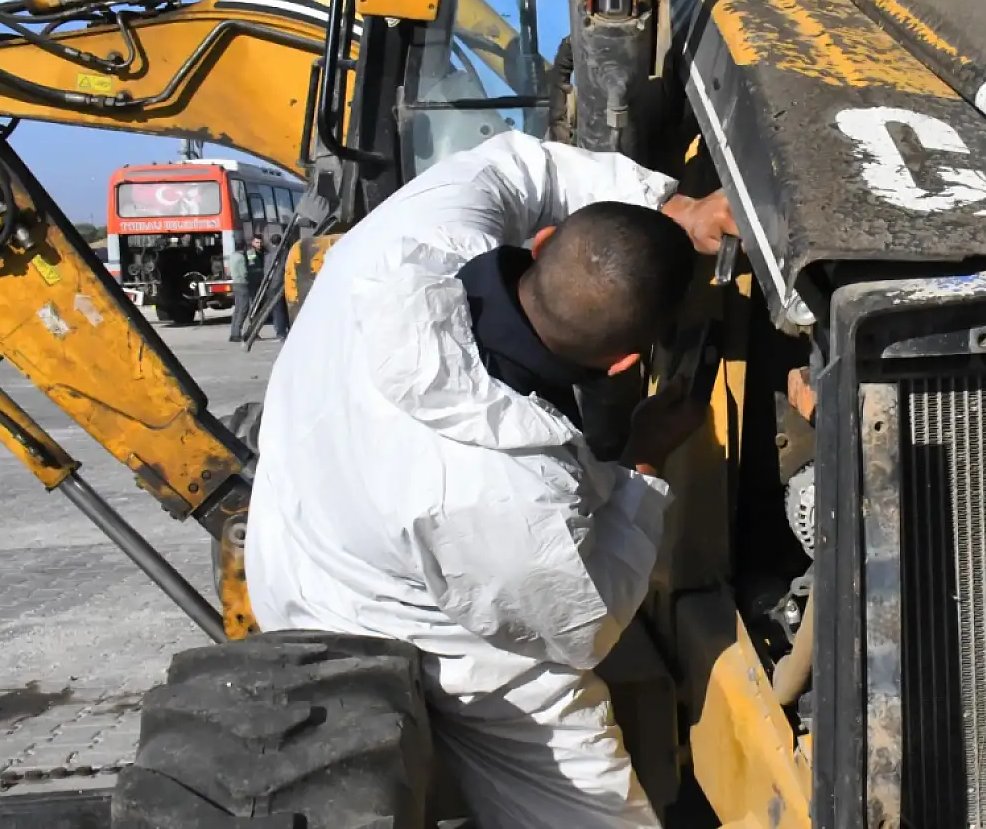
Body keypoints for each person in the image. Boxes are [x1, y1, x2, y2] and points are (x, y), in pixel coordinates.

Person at [243, 130, 739, 829]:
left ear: (539, 246)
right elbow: (586, 621)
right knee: (590, 806)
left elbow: (515, 164)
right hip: (375, 622)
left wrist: (675, 208)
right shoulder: (500, 494)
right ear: (629, 363)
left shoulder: (416, 233)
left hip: (299, 527)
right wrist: (642, 463)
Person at [228, 235, 290, 342]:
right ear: (252, 243)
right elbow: (252, 267)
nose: (259, 244)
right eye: (257, 242)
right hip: (254, 284)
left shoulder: (264, 252)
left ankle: (248, 332)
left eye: (260, 242)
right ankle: (251, 332)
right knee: (252, 308)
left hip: (262, 283)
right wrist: (261, 272)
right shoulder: (251, 253)